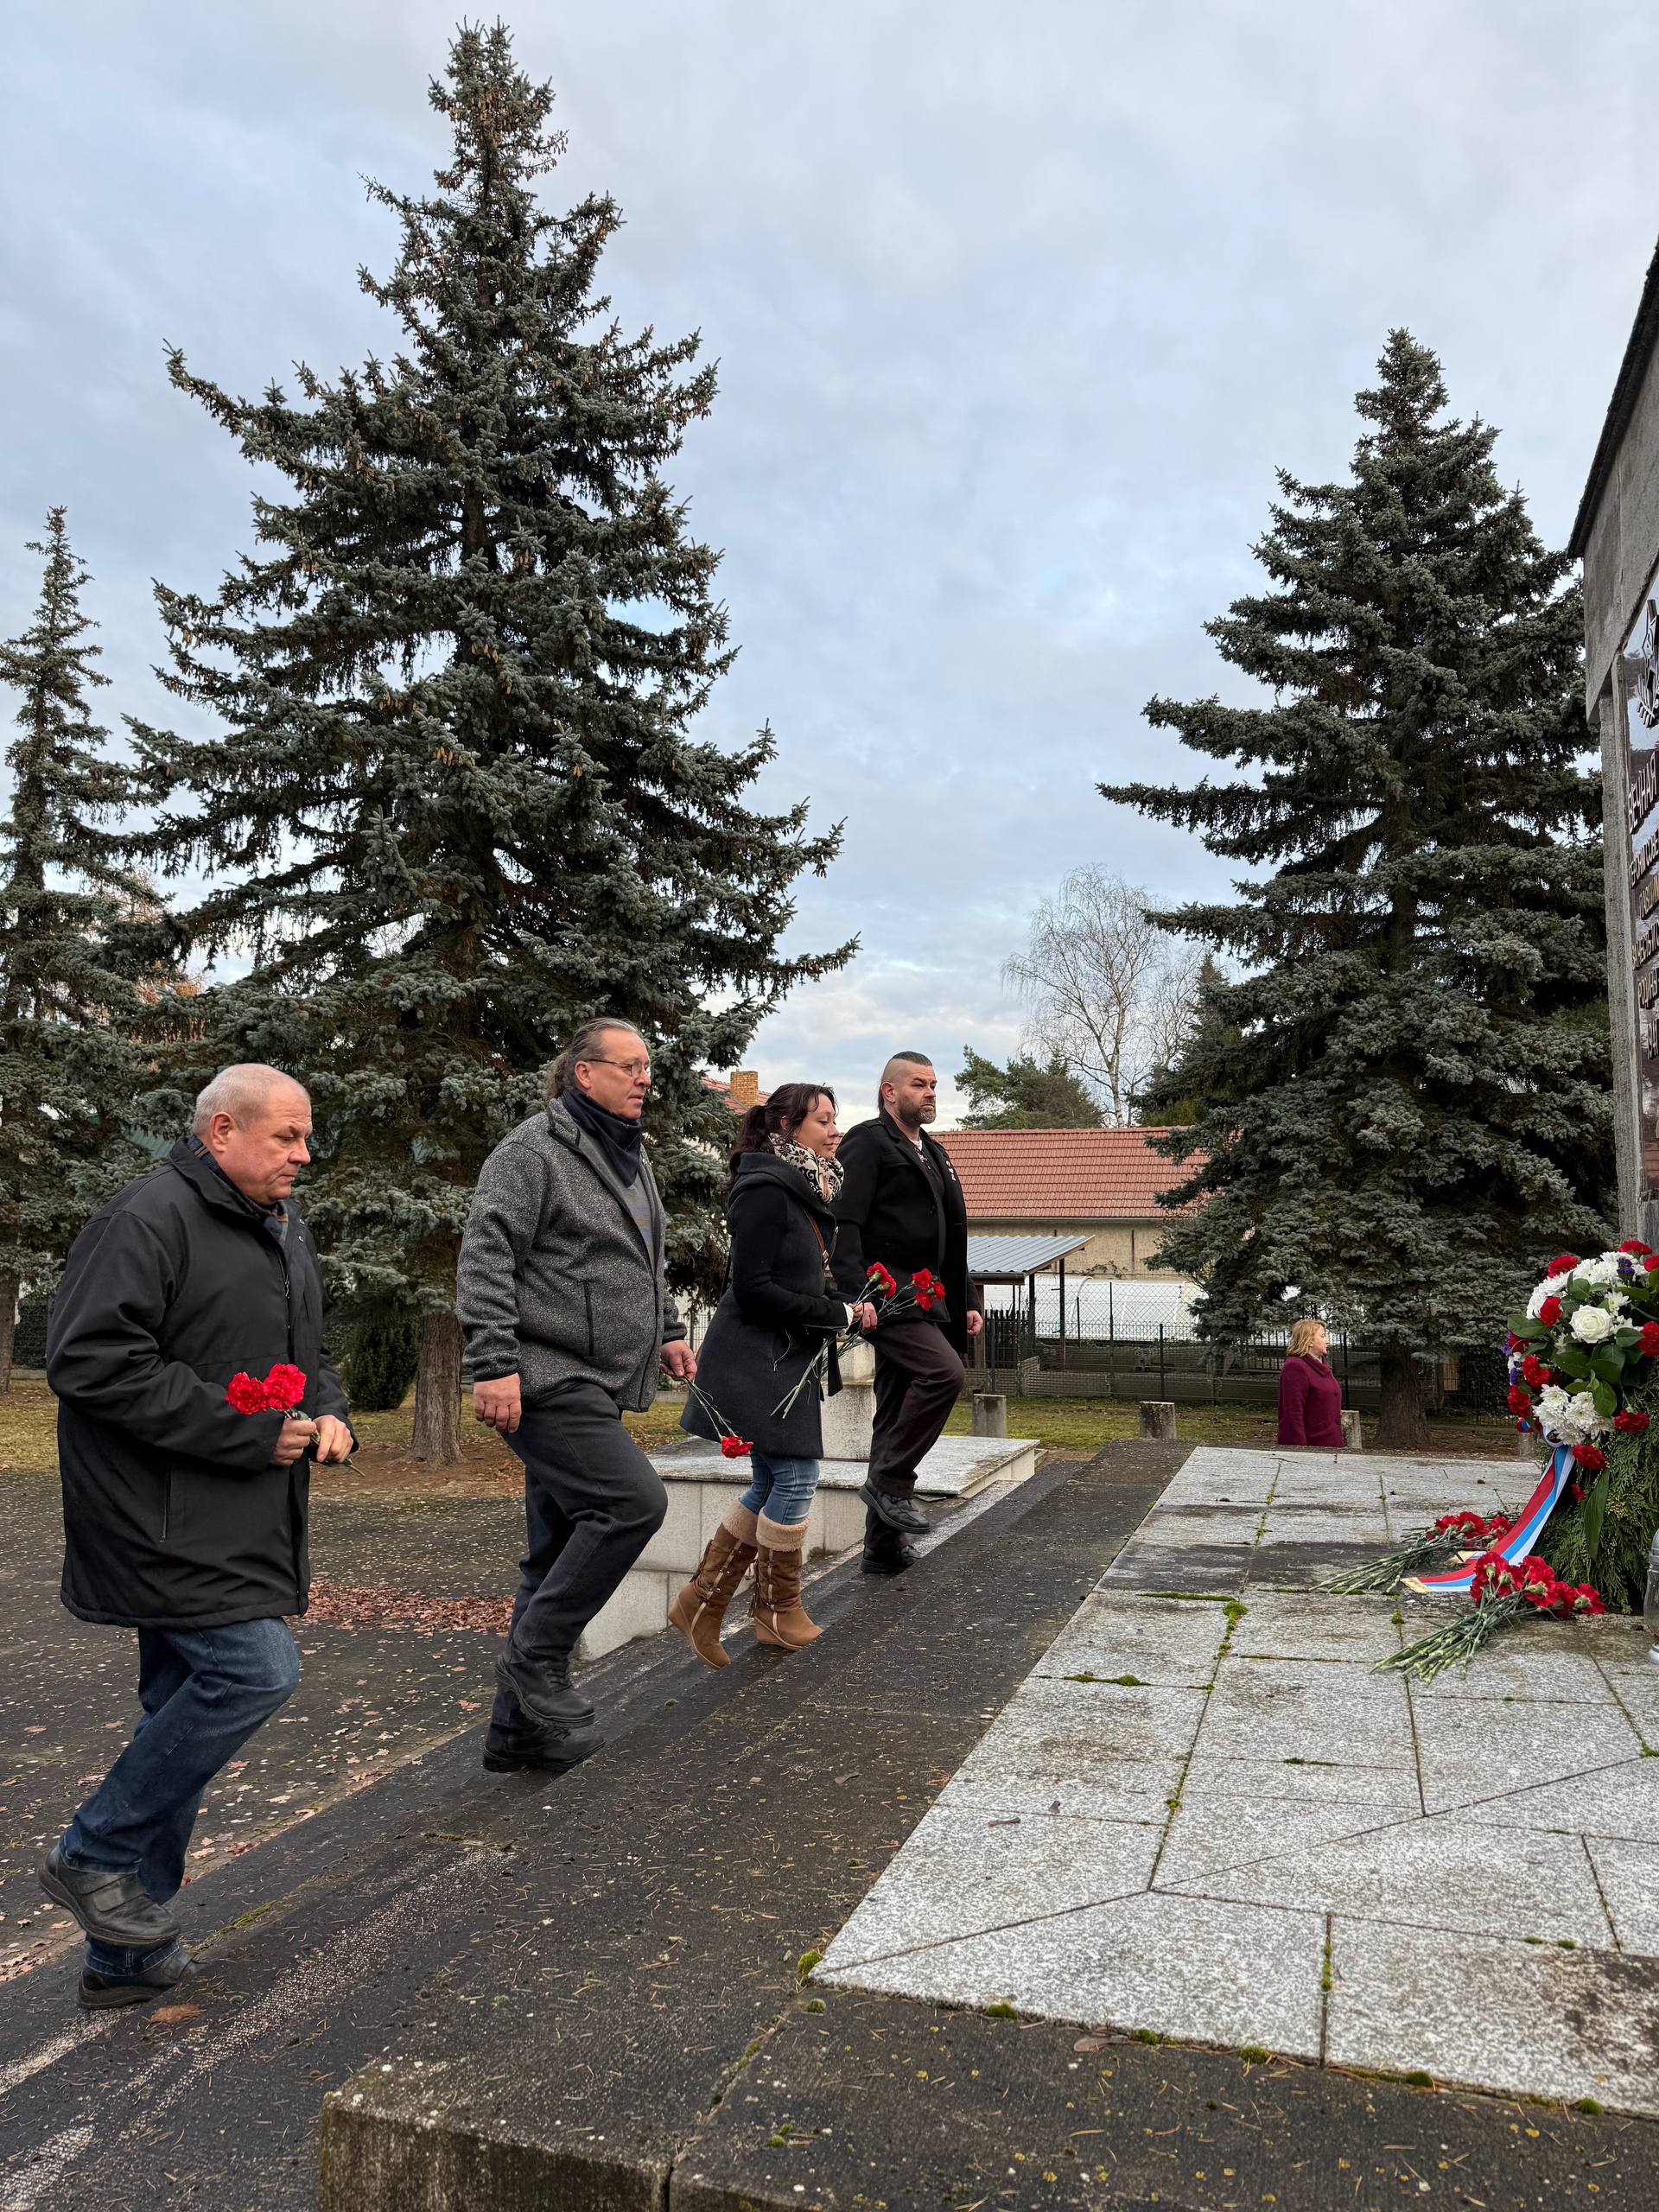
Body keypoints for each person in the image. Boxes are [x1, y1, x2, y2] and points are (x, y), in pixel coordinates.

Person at [41, 1065, 353, 2011]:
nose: (304, 1155)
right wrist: (245, 1429)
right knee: (254, 1669)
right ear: (221, 1131)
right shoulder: (146, 1219)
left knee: (175, 1714)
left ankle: (124, 1953)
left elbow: (306, 1349)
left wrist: (329, 1410)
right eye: (287, 1136)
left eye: (307, 1137)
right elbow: (90, 1361)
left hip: (236, 1514)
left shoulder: (279, 1224)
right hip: (155, 1516)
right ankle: (92, 1853)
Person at [458, 1018, 693, 1774]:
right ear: (583, 1073)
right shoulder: (532, 1151)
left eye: (647, 1067)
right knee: (632, 1503)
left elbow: (645, 1257)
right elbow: (486, 1254)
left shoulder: (629, 1153)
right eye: (628, 1066)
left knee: (554, 1551)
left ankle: (516, 1732)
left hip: (596, 1375)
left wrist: (668, 1328)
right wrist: (493, 1362)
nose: (644, 1078)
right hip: (543, 1371)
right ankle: (533, 1661)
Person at [671, 1084, 872, 1663]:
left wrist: (847, 1305)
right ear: (786, 1126)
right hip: (756, 1358)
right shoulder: (764, 1190)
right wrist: (834, 1315)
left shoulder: (805, 1189)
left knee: (771, 1479)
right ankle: (776, 1609)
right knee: (797, 1474)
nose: (835, 1131)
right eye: (823, 1120)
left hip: (783, 1356)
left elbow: (802, 1277)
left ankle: (701, 1602)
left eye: (835, 1119)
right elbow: (753, 1288)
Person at [832, 1052, 983, 1572]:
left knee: (894, 1412)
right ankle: (890, 1483)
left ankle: (882, 1548)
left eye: (933, 1084)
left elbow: (950, 1239)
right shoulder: (868, 1142)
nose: (930, 1092)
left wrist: (966, 1300)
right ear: (889, 1092)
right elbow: (845, 1223)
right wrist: (857, 1294)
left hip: (929, 1296)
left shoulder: (935, 1152)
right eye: (918, 1084)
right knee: (944, 1374)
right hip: (886, 1296)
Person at [1277, 1317, 1344, 1447]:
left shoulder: (1321, 1365)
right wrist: (1299, 1451)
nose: (1327, 1341)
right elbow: (1292, 1414)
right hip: (1313, 1446)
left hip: (1329, 1443)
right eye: (1322, 1336)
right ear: (1309, 1340)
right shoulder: (1295, 1367)